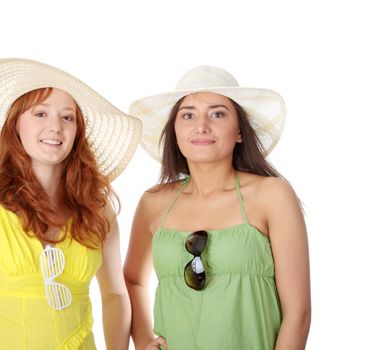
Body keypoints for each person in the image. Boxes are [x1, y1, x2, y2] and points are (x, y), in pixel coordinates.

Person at [0, 58, 142, 349]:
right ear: (15, 124)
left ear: (78, 132)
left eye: (67, 117)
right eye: (40, 113)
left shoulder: (97, 210)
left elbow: (115, 295)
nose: (55, 126)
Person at [123, 66, 310, 350]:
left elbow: (298, 313)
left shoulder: (272, 195)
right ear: (175, 132)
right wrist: (143, 340)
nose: (201, 125)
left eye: (217, 113)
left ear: (239, 132)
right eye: (188, 115)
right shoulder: (154, 202)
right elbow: (133, 280)